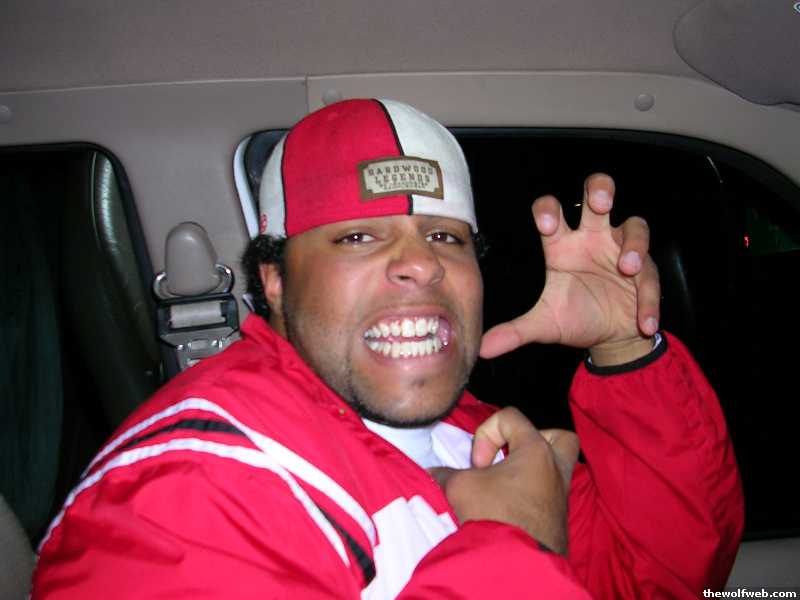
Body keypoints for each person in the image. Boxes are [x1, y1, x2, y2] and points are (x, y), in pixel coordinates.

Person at [32, 99, 743, 598]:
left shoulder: (467, 431)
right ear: (275, 281)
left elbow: (655, 582)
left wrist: (624, 349)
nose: (423, 265)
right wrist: (515, 546)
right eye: (358, 236)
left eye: (445, 237)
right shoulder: (186, 491)